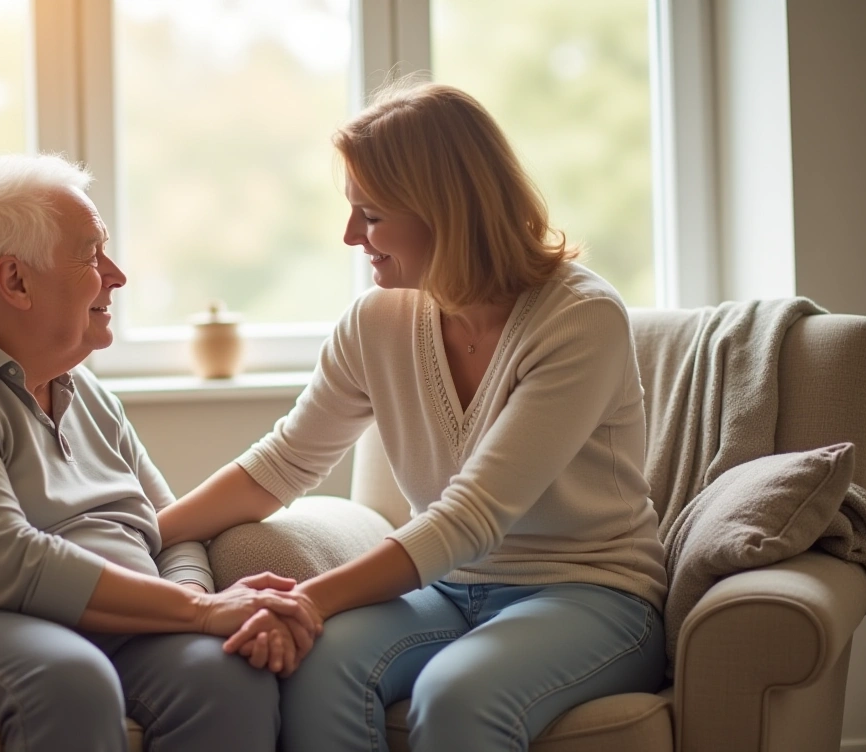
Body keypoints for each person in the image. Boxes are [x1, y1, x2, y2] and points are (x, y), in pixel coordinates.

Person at [159, 82, 669, 752]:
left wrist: (309, 600)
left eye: (369, 215)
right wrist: (136, 543)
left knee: (455, 694)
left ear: (445, 212)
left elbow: (472, 516)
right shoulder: (377, 322)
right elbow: (280, 466)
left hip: (592, 595)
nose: (350, 236)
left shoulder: (580, 319)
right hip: (448, 589)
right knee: (317, 666)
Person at [0, 153, 314, 752]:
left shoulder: (84, 387)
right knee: (70, 680)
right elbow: (6, 563)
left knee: (227, 672)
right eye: (92, 254)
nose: (118, 274)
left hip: (102, 620)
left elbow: (166, 528)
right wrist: (197, 612)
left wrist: (201, 602)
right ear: (15, 280)